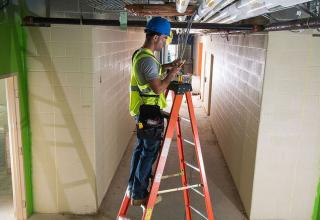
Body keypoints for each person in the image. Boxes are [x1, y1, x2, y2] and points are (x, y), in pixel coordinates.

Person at [128, 16, 183, 206]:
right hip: (147, 111)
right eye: (164, 38)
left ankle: (133, 188)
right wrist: (172, 74)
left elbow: (152, 70)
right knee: (148, 153)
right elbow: (159, 88)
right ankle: (139, 193)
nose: (164, 42)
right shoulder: (148, 61)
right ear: (156, 37)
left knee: (141, 150)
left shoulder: (141, 55)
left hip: (144, 109)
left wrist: (168, 66)